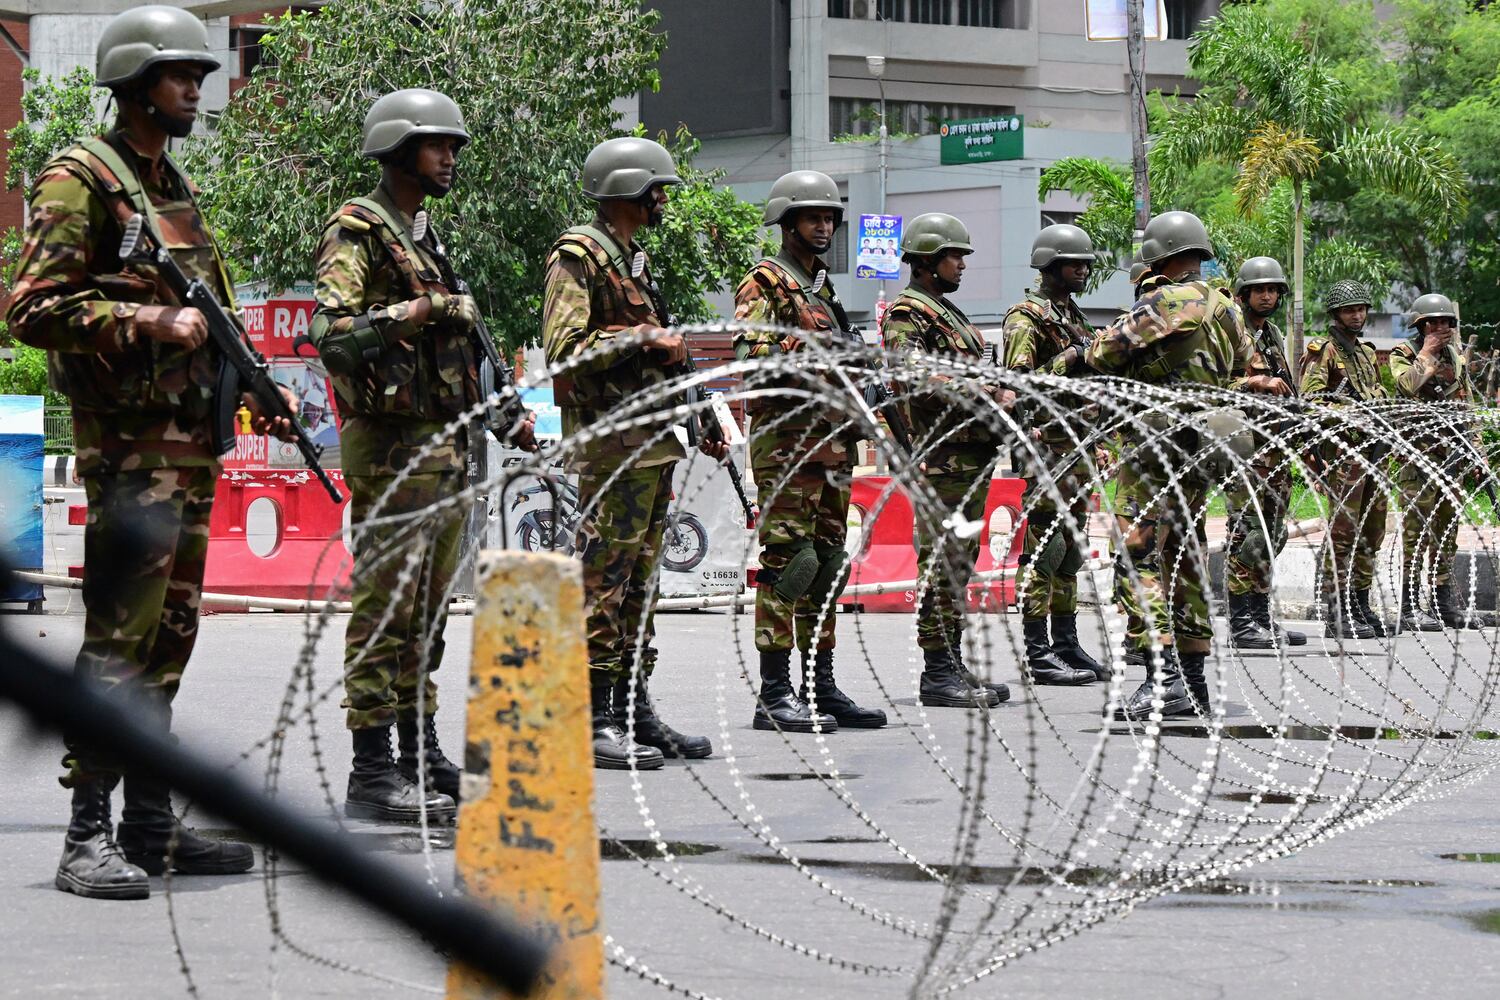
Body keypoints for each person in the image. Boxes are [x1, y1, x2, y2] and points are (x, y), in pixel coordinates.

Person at [5, 5, 294, 898]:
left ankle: (151, 821)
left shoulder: (167, 185)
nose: (196, 91)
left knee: (170, 637)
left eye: (201, 78)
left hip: (188, 449)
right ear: (134, 84)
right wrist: (147, 318)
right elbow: (29, 308)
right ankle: (84, 833)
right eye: (181, 77)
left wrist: (254, 382)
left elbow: (213, 312)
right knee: (118, 641)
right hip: (129, 453)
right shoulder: (79, 180)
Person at [312, 88, 534, 818]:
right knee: (388, 609)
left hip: (445, 451)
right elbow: (331, 334)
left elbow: (465, 354)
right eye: (439, 146)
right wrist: (418, 311)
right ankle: (372, 771)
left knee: (430, 614)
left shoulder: (423, 238)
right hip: (393, 451)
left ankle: (418, 747)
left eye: (453, 146)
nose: (450, 158)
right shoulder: (361, 229)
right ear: (401, 149)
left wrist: (509, 418)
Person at [542, 136, 724, 769]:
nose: (664, 199)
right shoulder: (580, 257)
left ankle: (631, 708)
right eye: (658, 188)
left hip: (649, 446)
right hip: (610, 449)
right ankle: (591, 718)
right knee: (604, 583)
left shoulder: (628, 261)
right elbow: (566, 350)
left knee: (640, 586)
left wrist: (697, 412)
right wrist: (642, 336)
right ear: (630, 189)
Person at [1086, 211, 1277, 719]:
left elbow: (1101, 355)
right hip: (1202, 446)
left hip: (1154, 445)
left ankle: (1162, 676)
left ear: (1161, 256)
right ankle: (1193, 680)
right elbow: (1241, 369)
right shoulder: (1226, 308)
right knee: (1186, 557)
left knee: (1136, 554)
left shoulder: (1164, 300)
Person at [733, 170, 887, 734]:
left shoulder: (820, 290)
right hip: (789, 447)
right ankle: (775, 693)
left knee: (826, 566)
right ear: (787, 222)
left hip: (831, 445)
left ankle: (819, 686)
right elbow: (752, 351)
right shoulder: (766, 283)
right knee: (787, 565)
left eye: (830, 218)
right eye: (813, 217)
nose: (824, 226)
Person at [883, 212, 1008, 709]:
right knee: (941, 565)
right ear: (928, 261)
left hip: (968, 458)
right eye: (955, 256)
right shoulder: (907, 313)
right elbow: (911, 375)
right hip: (941, 460)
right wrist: (980, 392)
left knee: (959, 564)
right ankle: (937, 672)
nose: (962, 265)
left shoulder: (946, 312)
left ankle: (952, 661)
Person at [1002, 224, 1110, 688]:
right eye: (1074, 263)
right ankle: (1038, 649)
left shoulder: (1074, 316)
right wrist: (1069, 356)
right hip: (1044, 445)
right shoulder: (1026, 318)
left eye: (1085, 262)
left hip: (1078, 444)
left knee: (1069, 551)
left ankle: (1066, 642)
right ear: (1049, 267)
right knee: (1045, 550)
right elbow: (1017, 386)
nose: (1083, 270)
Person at [1299, 279, 1390, 639]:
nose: (1358, 315)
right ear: (1336, 314)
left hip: (1374, 451)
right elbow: (1311, 400)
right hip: (1344, 453)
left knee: (1373, 530)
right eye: (1351, 309)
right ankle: (1336, 609)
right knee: (1342, 532)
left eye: (1362, 308)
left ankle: (1359, 602)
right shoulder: (1325, 352)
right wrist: (1349, 412)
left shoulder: (1366, 353)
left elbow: (1378, 394)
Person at [1224, 257, 1305, 648]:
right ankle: (1241, 623)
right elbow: (1216, 386)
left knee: (1273, 533)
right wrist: (1254, 383)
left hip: (1274, 445)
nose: (1268, 295)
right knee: (1246, 532)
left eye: (1273, 290)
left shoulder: (1271, 333)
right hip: (1244, 444)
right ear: (1244, 295)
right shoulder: (1230, 330)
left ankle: (1260, 615)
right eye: (1260, 290)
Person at [1390, 293, 1477, 630]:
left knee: (1446, 532)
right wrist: (1426, 353)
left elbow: (1466, 407)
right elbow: (1404, 387)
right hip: (1417, 457)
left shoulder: (1457, 358)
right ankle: (1409, 606)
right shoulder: (1405, 353)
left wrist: (1476, 453)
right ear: (1421, 326)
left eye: (1446, 323)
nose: (1442, 328)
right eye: (1433, 323)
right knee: (1416, 533)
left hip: (1450, 457)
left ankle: (1443, 601)